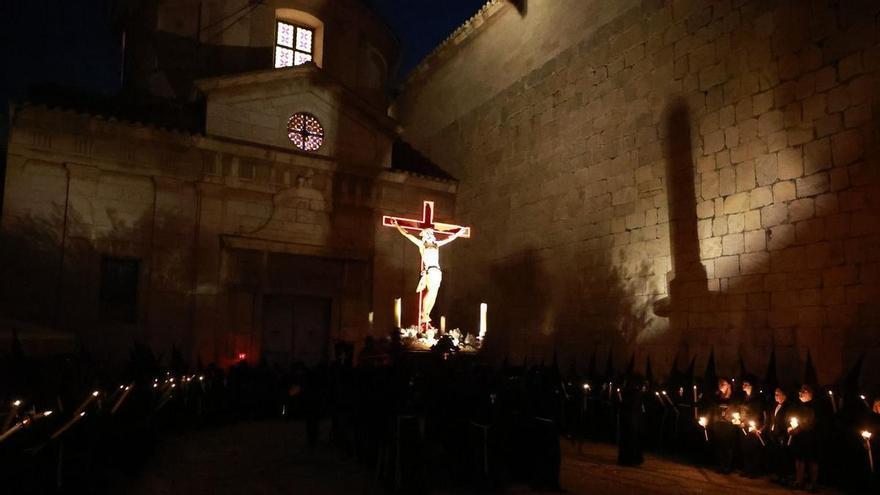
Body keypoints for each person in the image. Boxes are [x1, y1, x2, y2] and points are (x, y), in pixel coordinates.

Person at [392, 219, 467, 328]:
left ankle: (427, 314)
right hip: (430, 271)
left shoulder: (436, 244)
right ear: (424, 235)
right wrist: (397, 225)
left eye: (431, 233)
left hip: (437, 271)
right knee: (431, 292)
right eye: (428, 233)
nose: (431, 235)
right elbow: (407, 234)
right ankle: (424, 313)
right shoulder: (421, 244)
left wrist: (459, 232)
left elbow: (449, 239)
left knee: (434, 294)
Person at [789, 384, 820, 491]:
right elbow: (795, 419)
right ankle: (799, 481)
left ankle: (813, 484)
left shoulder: (814, 406)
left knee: (812, 460)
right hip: (799, 437)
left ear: (809, 393)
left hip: (811, 437)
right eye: (800, 391)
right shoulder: (799, 406)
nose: (800, 393)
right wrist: (791, 426)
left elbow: (811, 422)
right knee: (799, 459)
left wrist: (798, 428)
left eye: (803, 391)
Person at [739, 377, 765, 477]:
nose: (743, 385)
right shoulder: (744, 397)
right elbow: (741, 410)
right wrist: (740, 420)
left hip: (754, 427)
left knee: (753, 449)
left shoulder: (757, 398)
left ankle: (754, 471)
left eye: (745, 383)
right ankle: (747, 469)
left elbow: (758, 413)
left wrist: (757, 426)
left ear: (751, 385)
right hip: (744, 426)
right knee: (745, 448)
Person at [710, 377, 737, 473]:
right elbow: (713, 409)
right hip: (718, 423)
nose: (721, 385)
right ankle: (721, 465)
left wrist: (728, 415)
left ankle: (727, 467)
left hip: (728, 424)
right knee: (719, 445)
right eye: (719, 384)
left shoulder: (733, 397)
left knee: (728, 446)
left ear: (729, 385)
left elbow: (735, 409)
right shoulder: (717, 396)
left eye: (723, 384)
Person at [768, 387, 793, 485]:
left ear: (784, 395)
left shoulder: (788, 407)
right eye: (775, 393)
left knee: (783, 456)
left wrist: (783, 434)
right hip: (775, 434)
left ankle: (784, 476)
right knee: (776, 455)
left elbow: (787, 421)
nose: (776, 396)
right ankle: (778, 475)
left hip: (783, 435)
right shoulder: (775, 405)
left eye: (778, 394)